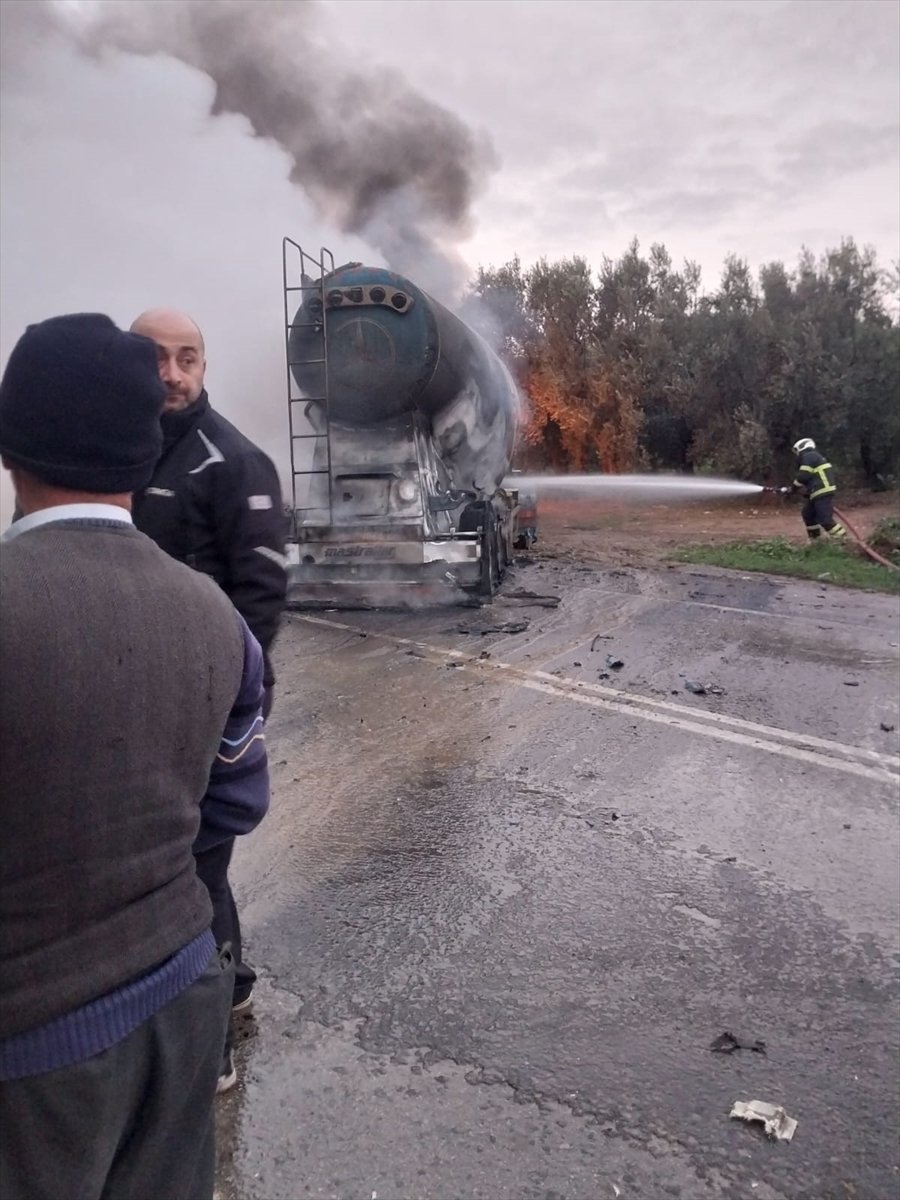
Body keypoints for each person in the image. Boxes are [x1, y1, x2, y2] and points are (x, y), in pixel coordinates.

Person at [0, 313, 270, 1200]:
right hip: (180, 1001)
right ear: (141, 447)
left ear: (11, 448)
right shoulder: (218, 623)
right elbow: (232, 805)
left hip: (34, 1056)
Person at [129, 307, 287, 1018]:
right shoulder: (121, 453)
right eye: (155, 357)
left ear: (203, 366)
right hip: (134, 694)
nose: (172, 373)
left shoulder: (236, 461)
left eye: (186, 357)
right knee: (163, 862)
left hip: (207, 704)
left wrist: (221, 701)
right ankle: (232, 985)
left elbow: (261, 597)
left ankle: (219, 1015)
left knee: (198, 863)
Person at [789, 437, 846, 541]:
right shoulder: (813, 457)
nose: (797, 455)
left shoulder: (809, 455)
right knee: (808, 514)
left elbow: (803, 475)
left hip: (822, 491)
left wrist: (793, 489)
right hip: (817, 491)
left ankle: (843, 539)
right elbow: (811, 477)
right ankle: (816, 541)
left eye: (797, 451)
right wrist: (807, 492)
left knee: (825, 520)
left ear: (801, 447)